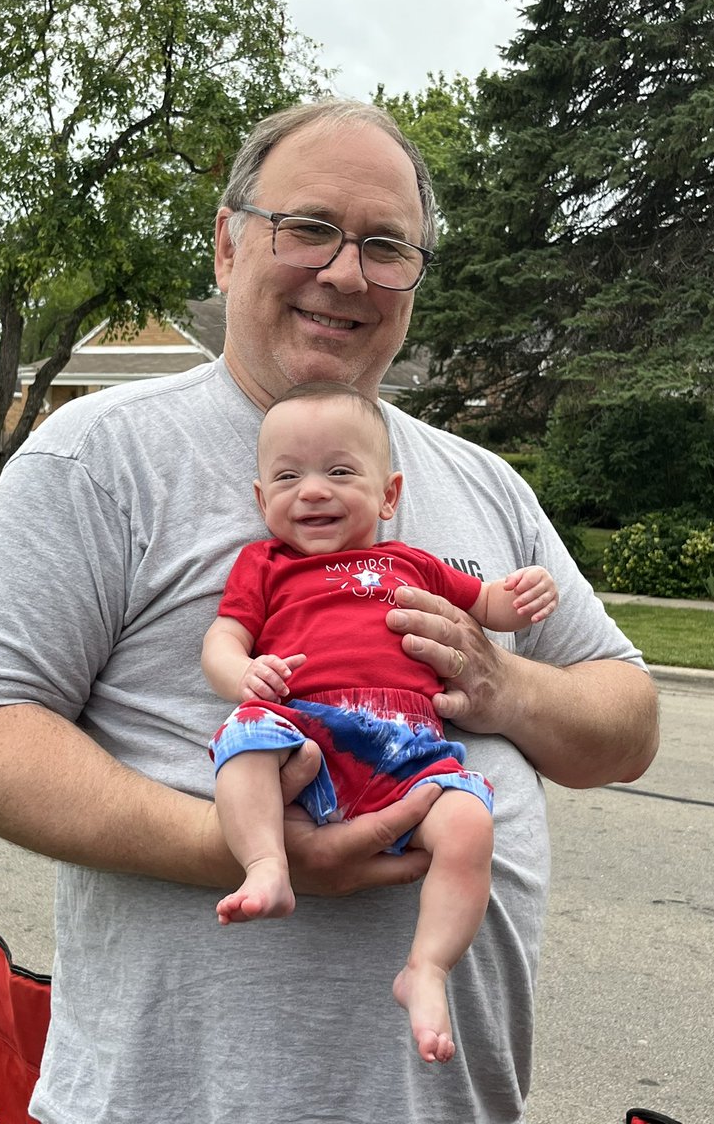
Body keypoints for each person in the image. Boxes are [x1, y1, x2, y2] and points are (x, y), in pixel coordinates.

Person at [0, 100, 658, 1124]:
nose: (346, 273)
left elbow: (627, 726)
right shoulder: (99, 458)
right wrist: (244, 845)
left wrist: (503, 685)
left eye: (387, 246)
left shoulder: (483, 484)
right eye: (307, 227)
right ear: (226, 246)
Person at [204, 380, 560, 1064]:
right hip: (301, 728)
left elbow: (487, 604)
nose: (312, 491)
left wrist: (522, 596)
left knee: (469, 825)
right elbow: (223, 639)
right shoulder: (264, 565)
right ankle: (265, 863)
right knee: (243, 741)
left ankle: (425, 966)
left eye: (340, 472)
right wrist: (241, 674)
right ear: (260, 500)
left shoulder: (412, 563)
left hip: (407, 745)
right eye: (288, 476)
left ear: (389, 494)